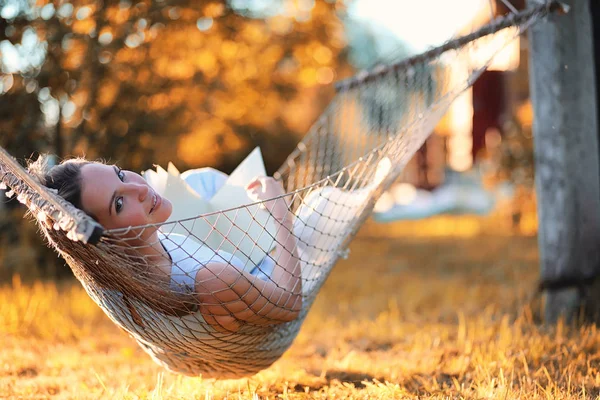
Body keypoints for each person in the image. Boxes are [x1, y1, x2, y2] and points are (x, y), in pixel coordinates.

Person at [28, 156, 302, 333]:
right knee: (324, 200)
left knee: (199, 179)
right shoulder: (211, 280)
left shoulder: (139, 273)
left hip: (252, 265)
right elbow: (289, 303)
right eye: (119, 204)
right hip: (284, 271)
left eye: (120, 174)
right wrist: (279, 209)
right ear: (107, 243)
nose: (141, 188)